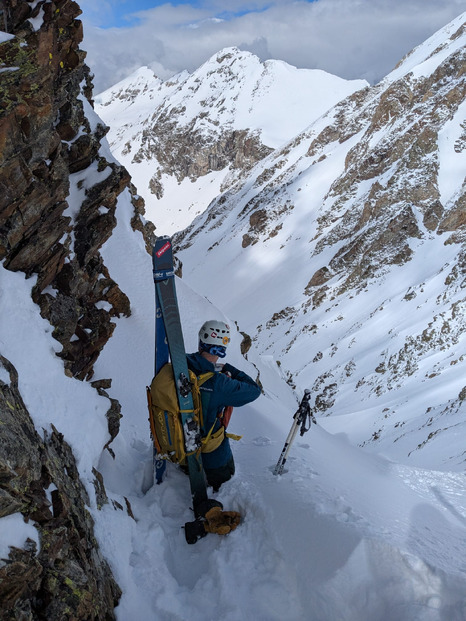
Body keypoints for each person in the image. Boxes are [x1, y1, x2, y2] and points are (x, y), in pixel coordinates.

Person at [186, 319, 261, 492]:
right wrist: (230, 370)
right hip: (211, 456)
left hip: (179, 445)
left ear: (201, 342)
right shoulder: (219, 383)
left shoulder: (182, 365)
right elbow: (254, 390)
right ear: (222, 349)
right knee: (228, 476)